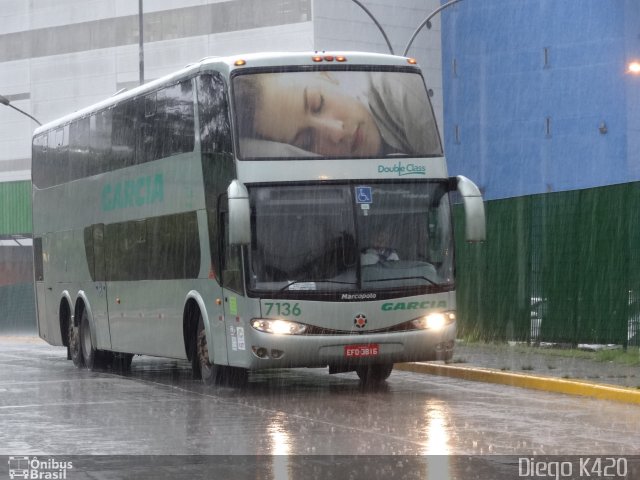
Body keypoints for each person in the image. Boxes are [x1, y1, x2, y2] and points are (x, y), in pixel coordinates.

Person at [233, 69, 441, 158]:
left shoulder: (398, 89)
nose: (337, 132)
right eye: (307, 141)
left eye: (318, 104)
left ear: (327, 75)